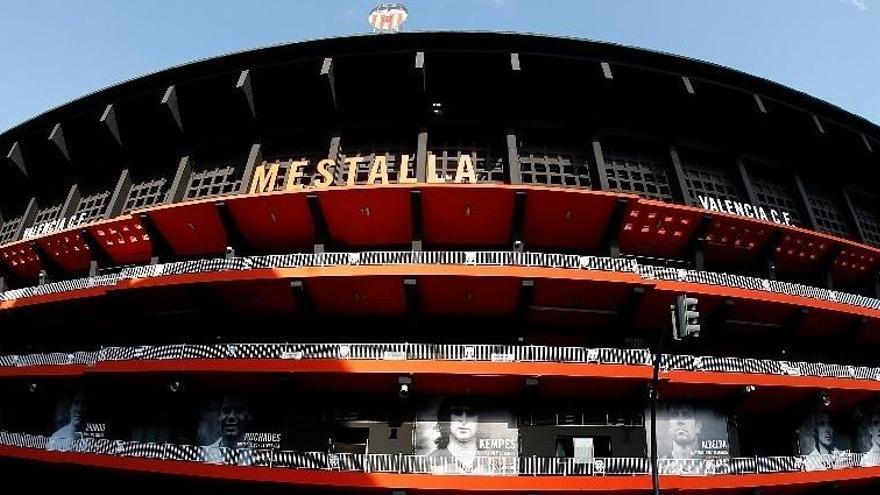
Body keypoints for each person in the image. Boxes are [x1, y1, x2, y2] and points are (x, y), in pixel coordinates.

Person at [427, 398, 483, 474]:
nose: (463, 420)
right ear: (447, 418)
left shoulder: (491, 461)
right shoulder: (430, 461)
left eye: (471, 413)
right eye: (457, 412)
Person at [203, 395, 254, 465]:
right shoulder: (204, 454)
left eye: (238, 411)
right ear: (219, 416)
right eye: (226, 410)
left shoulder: (259, 456)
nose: (231, 417)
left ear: (248, 416)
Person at [658, 401, 703, 475]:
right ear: (669, 426)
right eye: (674, 415)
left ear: (698, 426)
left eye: (686, 415)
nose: (679, 421)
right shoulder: (658, 467)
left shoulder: (714, 465)